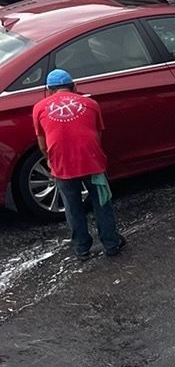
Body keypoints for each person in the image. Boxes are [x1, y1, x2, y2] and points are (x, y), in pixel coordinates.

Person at [31, 68, 126, 263]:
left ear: (49, 90)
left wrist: (50, 159)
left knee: (72, 206)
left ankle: (82, 249)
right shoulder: (91, 104)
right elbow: (97, 136)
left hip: (62, 164)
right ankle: (111, 244)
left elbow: (42, 144)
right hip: (92, 162)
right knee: (102, 202)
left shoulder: (39, 108)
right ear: (75, 87)